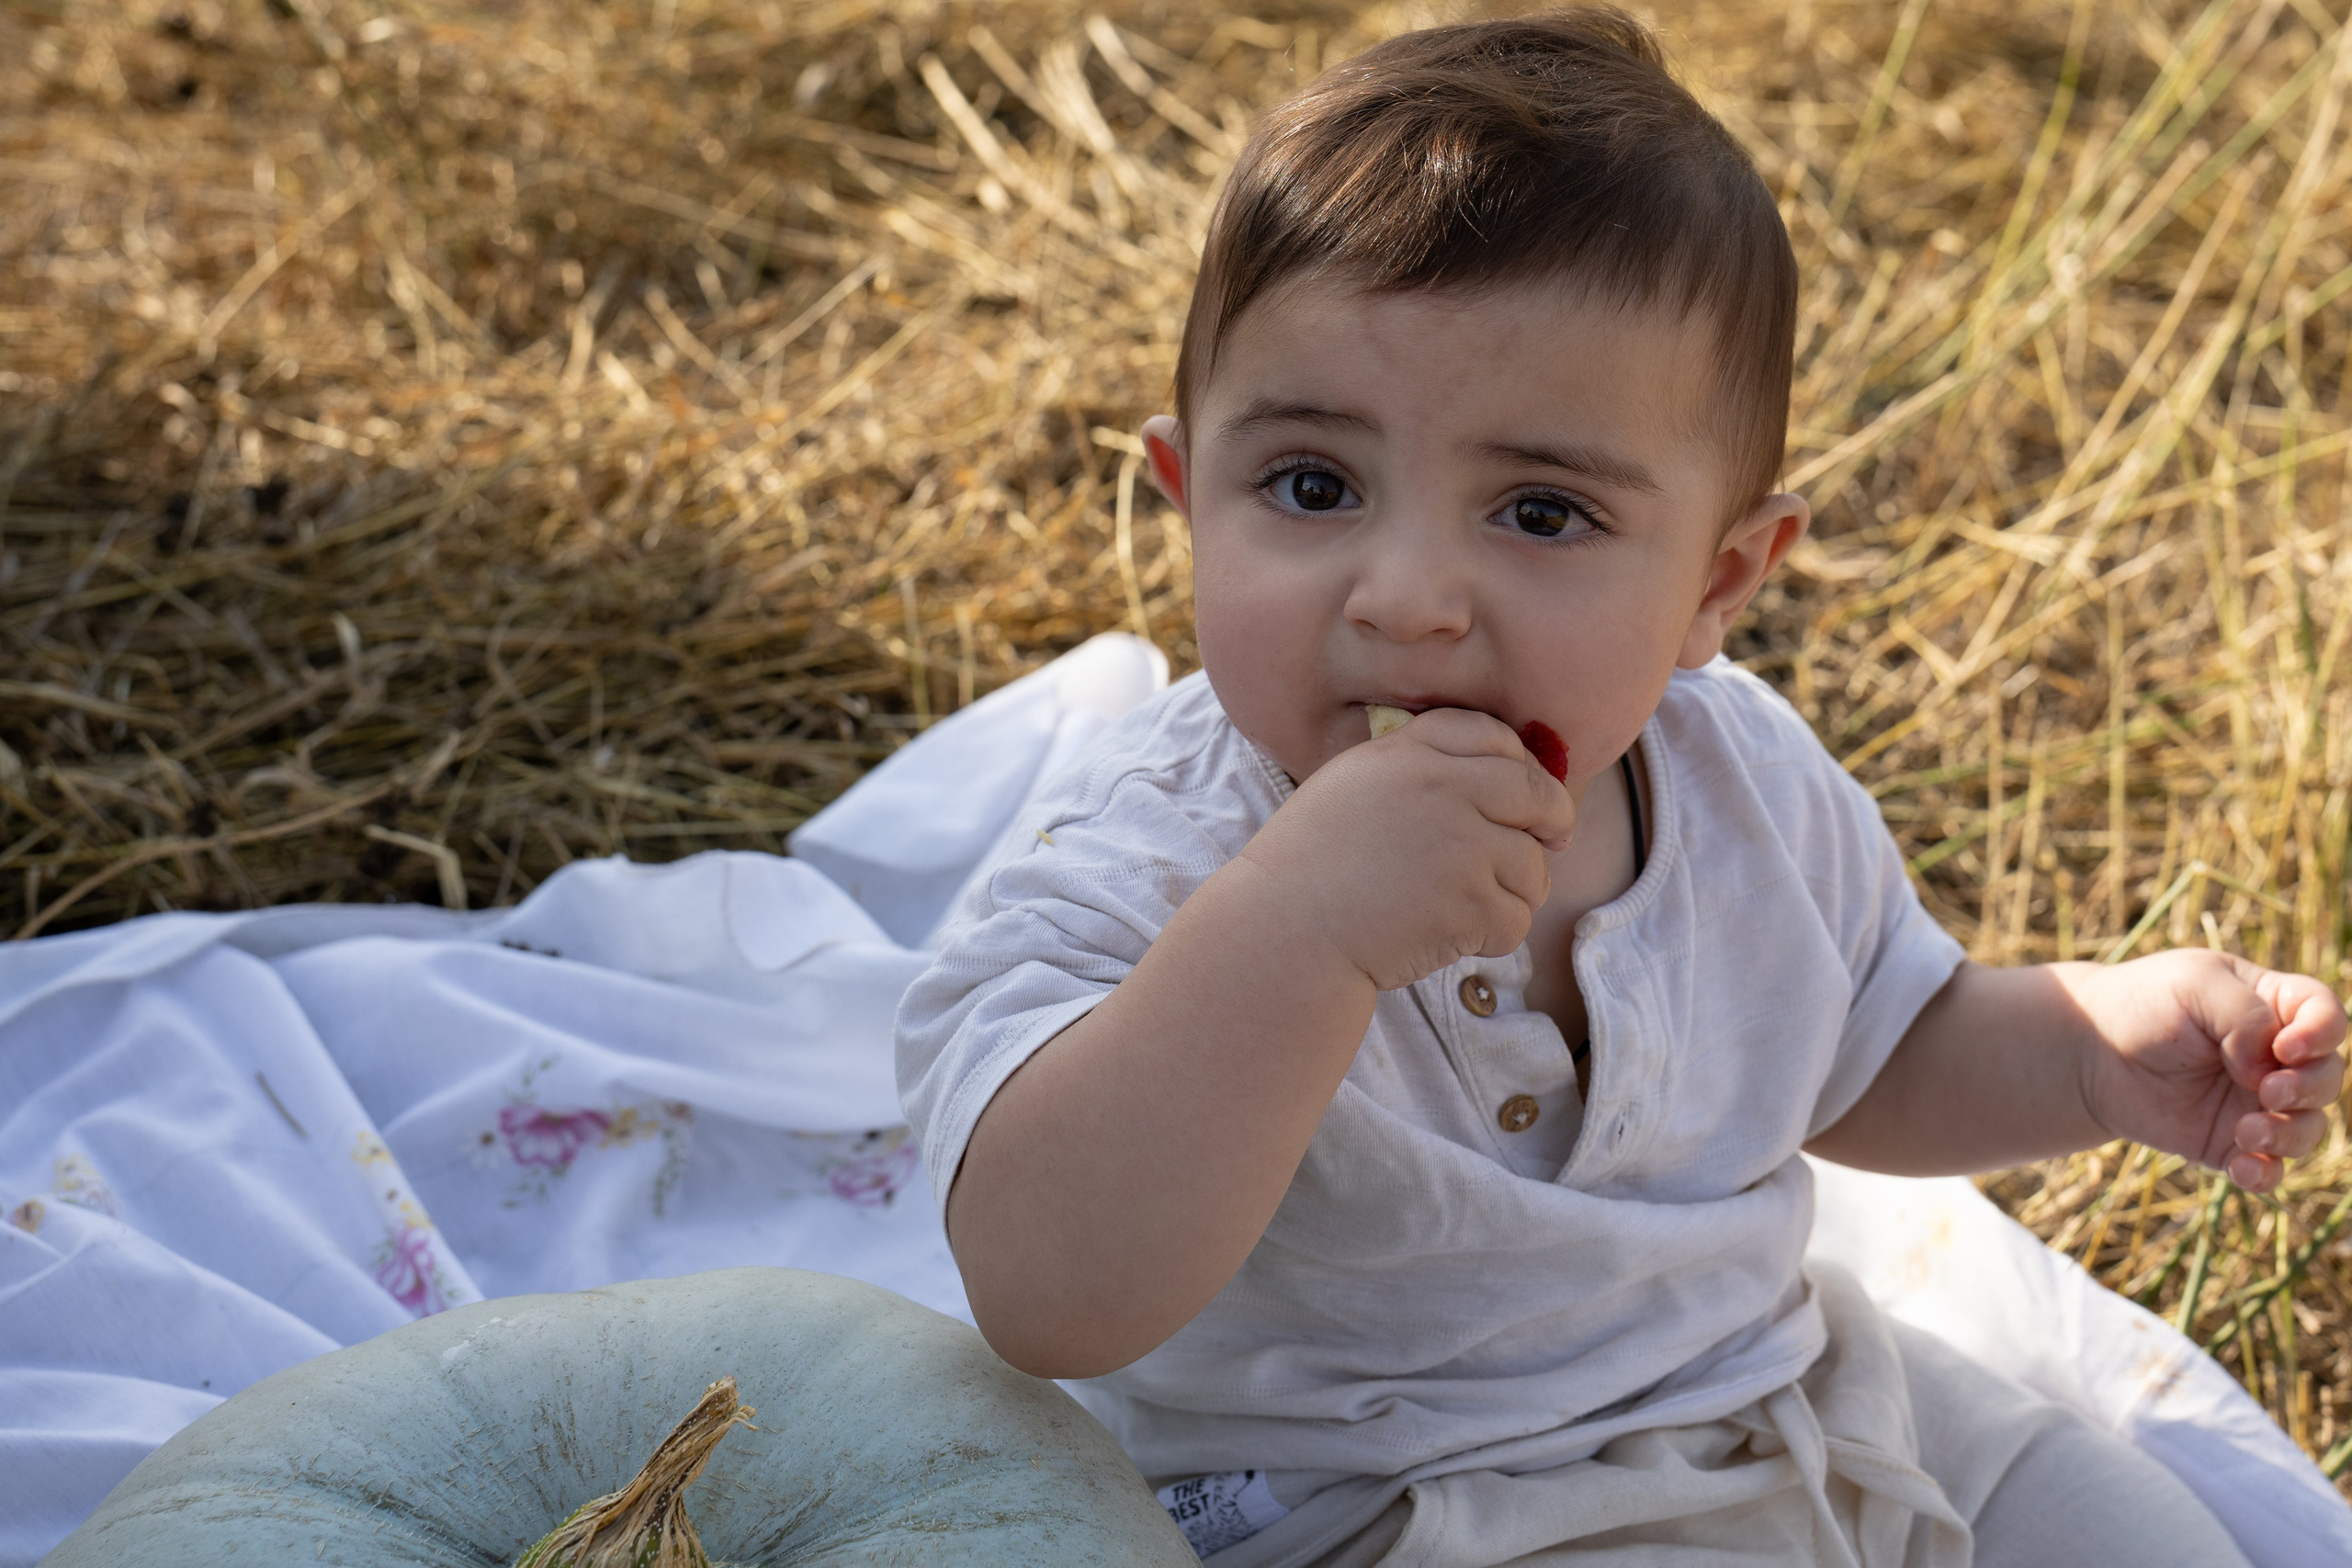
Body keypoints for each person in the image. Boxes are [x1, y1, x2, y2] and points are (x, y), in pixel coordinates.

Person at [895, 10, 2348, 1565]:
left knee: (2133, 1528)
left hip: (1774, 1390)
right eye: (1312, 487)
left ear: (1719, 582)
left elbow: (1867, 1047)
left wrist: (2081, 1052)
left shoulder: (1742, 786)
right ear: (1192, 498)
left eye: (1539, 511)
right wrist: (1298, 932)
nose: (1407, 596)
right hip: (1403, 1507)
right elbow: (1048, 1289)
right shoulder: (1160, 855)